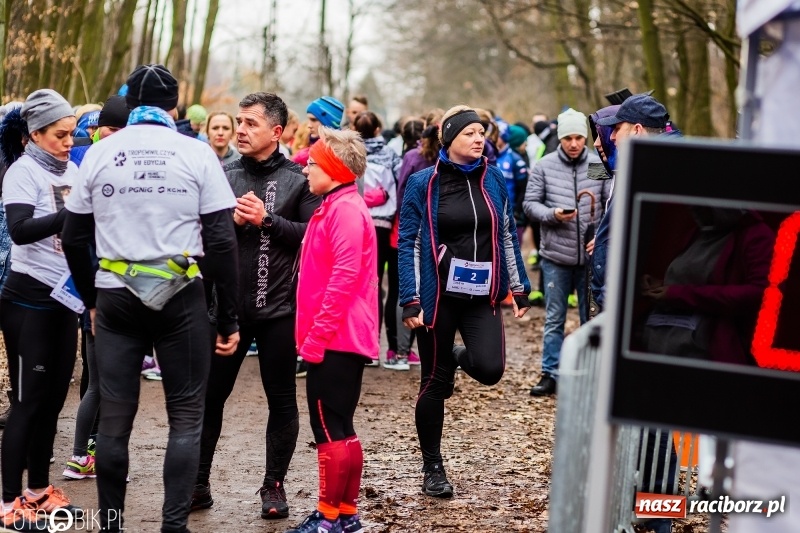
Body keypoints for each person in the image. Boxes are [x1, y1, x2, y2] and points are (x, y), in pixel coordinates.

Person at [61, 64, 241, 533]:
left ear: (130, 100)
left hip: (116, 295)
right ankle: (173, 527)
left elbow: (74, 234)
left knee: (116, 420)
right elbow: (221, 240)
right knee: (186, 417)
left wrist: (90, 300)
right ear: (174, 106)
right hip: (181, 294)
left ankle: (113, 526)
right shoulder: (197, 153)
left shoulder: (100, 152)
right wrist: (228, 318)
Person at [192, 92, 320, 520]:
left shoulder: (298, 179)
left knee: (281, 400)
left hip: (278, 310)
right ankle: (198, 483)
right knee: (210, 398)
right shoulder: (221, 175)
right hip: (224, 309)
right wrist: (221, 223)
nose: (241, 130)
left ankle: (274, 486)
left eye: (250, 123)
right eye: (238, 122)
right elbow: (195, 236)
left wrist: (267, 220)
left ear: (276, 132)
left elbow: (313, 235)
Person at [399, 105, 531, 498]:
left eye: (483, 132)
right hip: (439, 298)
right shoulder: (424, 182)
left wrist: (519, 285)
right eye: (471, 132)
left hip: (481, 295)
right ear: (450, 138)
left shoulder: (494, 179)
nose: (480, 139)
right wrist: (410, 298)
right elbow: (410, 242)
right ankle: (432, 466)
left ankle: (458, 355)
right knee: (434, 384)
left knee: (490, 369)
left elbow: (506, 233)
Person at [287, 126, 376, 533]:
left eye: (314, 163)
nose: (306, 168)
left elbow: (344, 276)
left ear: (335, 168)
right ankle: (345, 514)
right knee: (341, 426)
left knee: (327, 427)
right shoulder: (338, 204)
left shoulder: (344, 209)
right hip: (340, 336)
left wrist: (316, 339)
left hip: (336, 337)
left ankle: (327, 517)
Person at [1, 89, 83, 530]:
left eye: (72, 133)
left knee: (52, 402)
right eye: (60, 134)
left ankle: (37, 489)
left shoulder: (71, 169)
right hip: (26, 300)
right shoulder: (23, 171)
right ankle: (8, 501)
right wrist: (69, 215)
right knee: (27, 402)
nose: (69, 142)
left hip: (63, 300)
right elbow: (19, 230)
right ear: (35, 134)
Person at [62, 94, 131, 482]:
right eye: (110, 127)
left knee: (98, 376)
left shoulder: (97, 157)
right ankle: (82, 453)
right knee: (102, 379)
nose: (116, 134)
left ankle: (88, 449)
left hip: (96, 282)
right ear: (97, 127)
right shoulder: (88, 161)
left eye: (122, 129)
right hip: (97, 282)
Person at [523, 108, 610, 396]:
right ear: (560, 138)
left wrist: (599, 234)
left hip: (590, 259)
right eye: (568, 138)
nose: (574, 144)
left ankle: (587, 376)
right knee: (554, 317)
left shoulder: (598, 164)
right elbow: (530, 204)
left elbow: (610, 201)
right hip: (555, 257)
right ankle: (550, 374)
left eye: (579, 138)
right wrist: (552, 214)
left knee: (591, 318)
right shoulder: (545, 166)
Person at [352, 111, 402, 369]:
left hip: (357, 225)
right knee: (386, 287)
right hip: (384, 226)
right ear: (378, 128)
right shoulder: (391, 155)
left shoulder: (351, 154)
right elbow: (397, 189)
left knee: (367, 286)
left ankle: (367, 348)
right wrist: (380, 199)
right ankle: (392, 348)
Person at [292, 96, 345, 167]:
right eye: (308, 119)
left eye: (313, 120)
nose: (309, 125)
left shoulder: (344, 155)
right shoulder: (304, 155)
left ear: (328, 123)